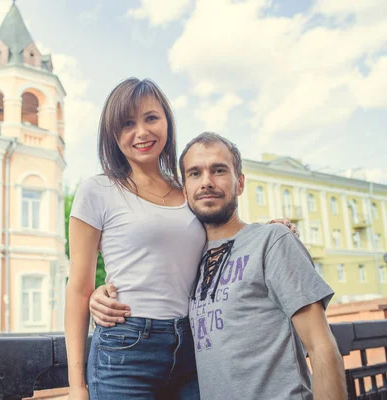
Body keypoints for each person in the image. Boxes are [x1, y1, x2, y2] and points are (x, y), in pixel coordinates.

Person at [65, 77, 296, 400]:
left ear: (167, 123)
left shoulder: (187, 189)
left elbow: (220, 238)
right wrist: (77, 386)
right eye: (127, 123)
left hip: (193, 344)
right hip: (126, 347)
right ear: (113, 134)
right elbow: (79, 288)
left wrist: (266, 231)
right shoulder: (97, 190)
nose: (141, 132)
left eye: (151, 118)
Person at [90, 132, 347, 399]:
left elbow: (321, 347)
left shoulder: (272, 241)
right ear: (184, 189)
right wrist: (100, 294)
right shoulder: (190, 260)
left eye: (219, 170)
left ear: (240, 183)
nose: (207, 182)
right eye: (194, 174)